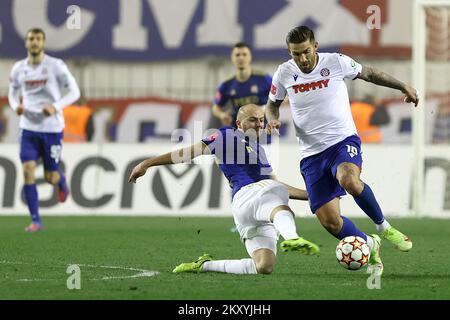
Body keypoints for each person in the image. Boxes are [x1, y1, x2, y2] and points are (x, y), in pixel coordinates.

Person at [265, 26, 419, 275]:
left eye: (305, 52)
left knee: (348, 179)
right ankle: (370, 244)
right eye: (296, 54)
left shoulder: (335, 62)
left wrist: (403, 86)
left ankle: (383, 228)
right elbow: (271, 106)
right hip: (311, 154)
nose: (302, 59)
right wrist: (271, 118)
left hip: (341, 141)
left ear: (315, 46)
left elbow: (368, 73)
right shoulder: (283, 73)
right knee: (331, 222)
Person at [129, 104, 320, 275]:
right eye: (252, 120)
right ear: (238, 122)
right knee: (277, 199)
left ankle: (204, 265)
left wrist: (315, 196)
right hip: (246, 196)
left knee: (263, 266)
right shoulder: (225, 135)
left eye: (261, 120)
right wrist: (147, 163)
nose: (259, 125)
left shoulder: (259, 149)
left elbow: (277, 185)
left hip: (259, 203)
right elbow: (186, 154)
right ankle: (293, 238)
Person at [8, 28, 80, 232]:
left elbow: (75, 92)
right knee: (27, 169)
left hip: (52, 128)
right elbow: (13, 94)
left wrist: (55, 107)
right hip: (28, 129)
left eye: (38, 39)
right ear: (26, 43)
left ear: (43, 43)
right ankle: (36, 221)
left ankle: (61, 179)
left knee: (50, 177)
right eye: (31, 38)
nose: (34, 42)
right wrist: (16, 107)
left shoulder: (56, 66)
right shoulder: (18, 69)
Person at [209, 42, 272, 128]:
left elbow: (283, 97)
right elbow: (215, 107)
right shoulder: (227, 84)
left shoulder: (264, 79)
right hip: (238, 131)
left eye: (244, 54)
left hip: (261, 131)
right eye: (237, 55)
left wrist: (268, 107)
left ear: (250, 57)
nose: (241, 58)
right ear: (232, 58)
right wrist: (222, 115)